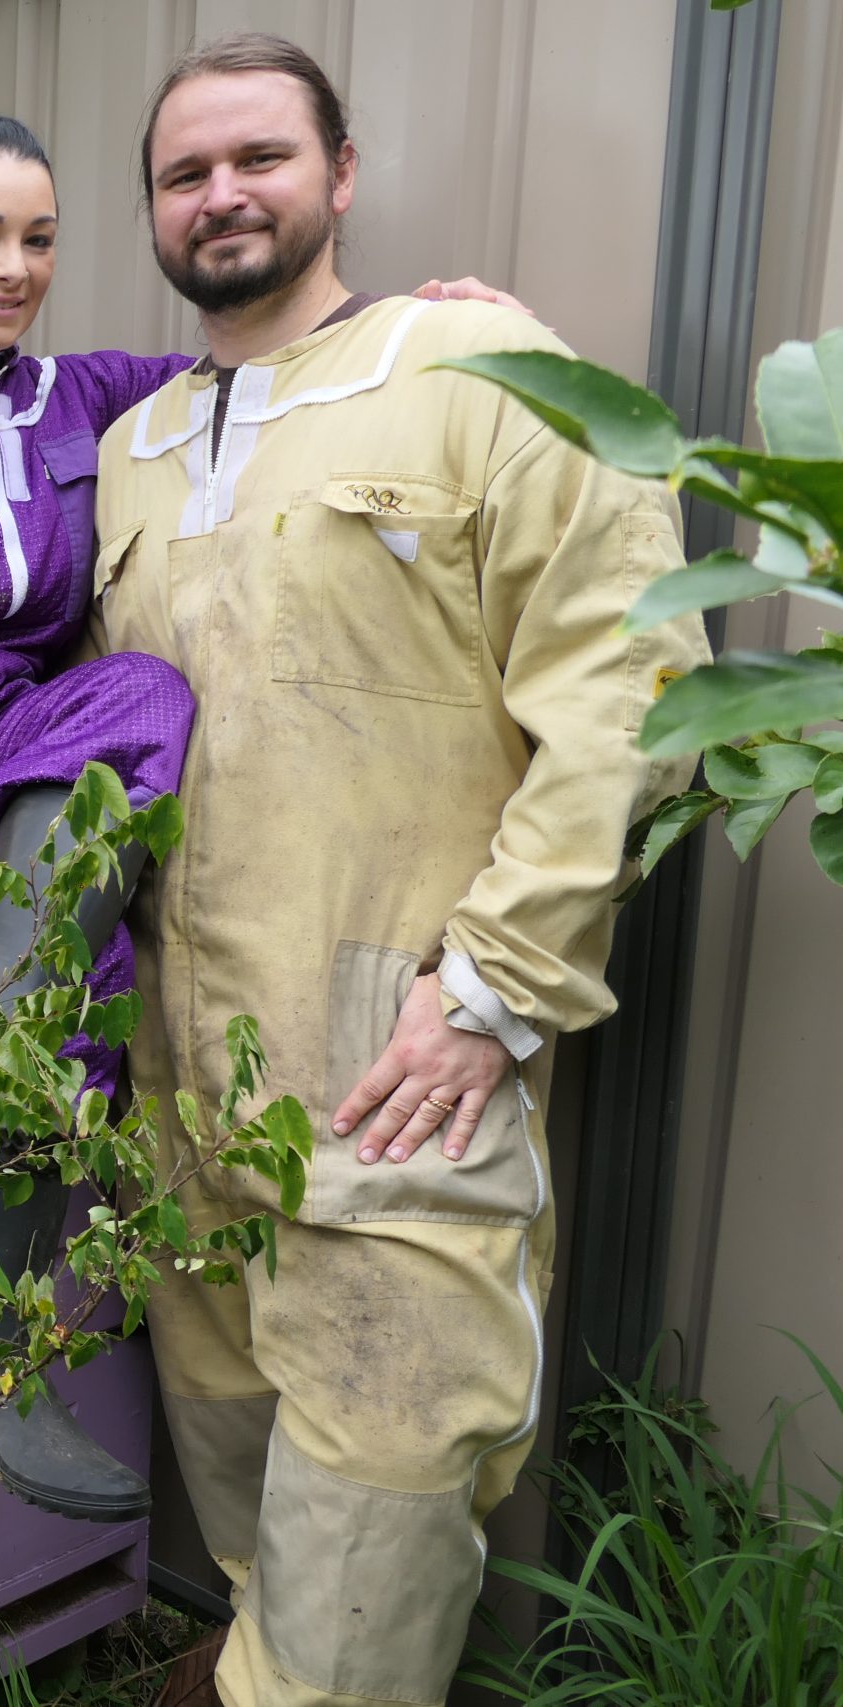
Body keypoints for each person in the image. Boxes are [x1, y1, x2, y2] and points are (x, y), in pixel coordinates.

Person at [0, 116, 518, 1527]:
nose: (12, 268)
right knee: (12, 940)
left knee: (137, 697)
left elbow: (258, 358)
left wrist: (415, 324)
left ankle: (0, 1164)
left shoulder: (75, 399)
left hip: (1, 744)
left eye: (39, 239)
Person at [83, 35, 712, 1707]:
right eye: (184, 171)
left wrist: (489, 995)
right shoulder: (134, 443)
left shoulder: (484, 370)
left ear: (340, 174)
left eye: (259, 158)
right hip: (184, 1099)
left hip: (391, 1085)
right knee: (240, 1493)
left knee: (378, 1509)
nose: (222, 193)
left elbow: (640, 700)